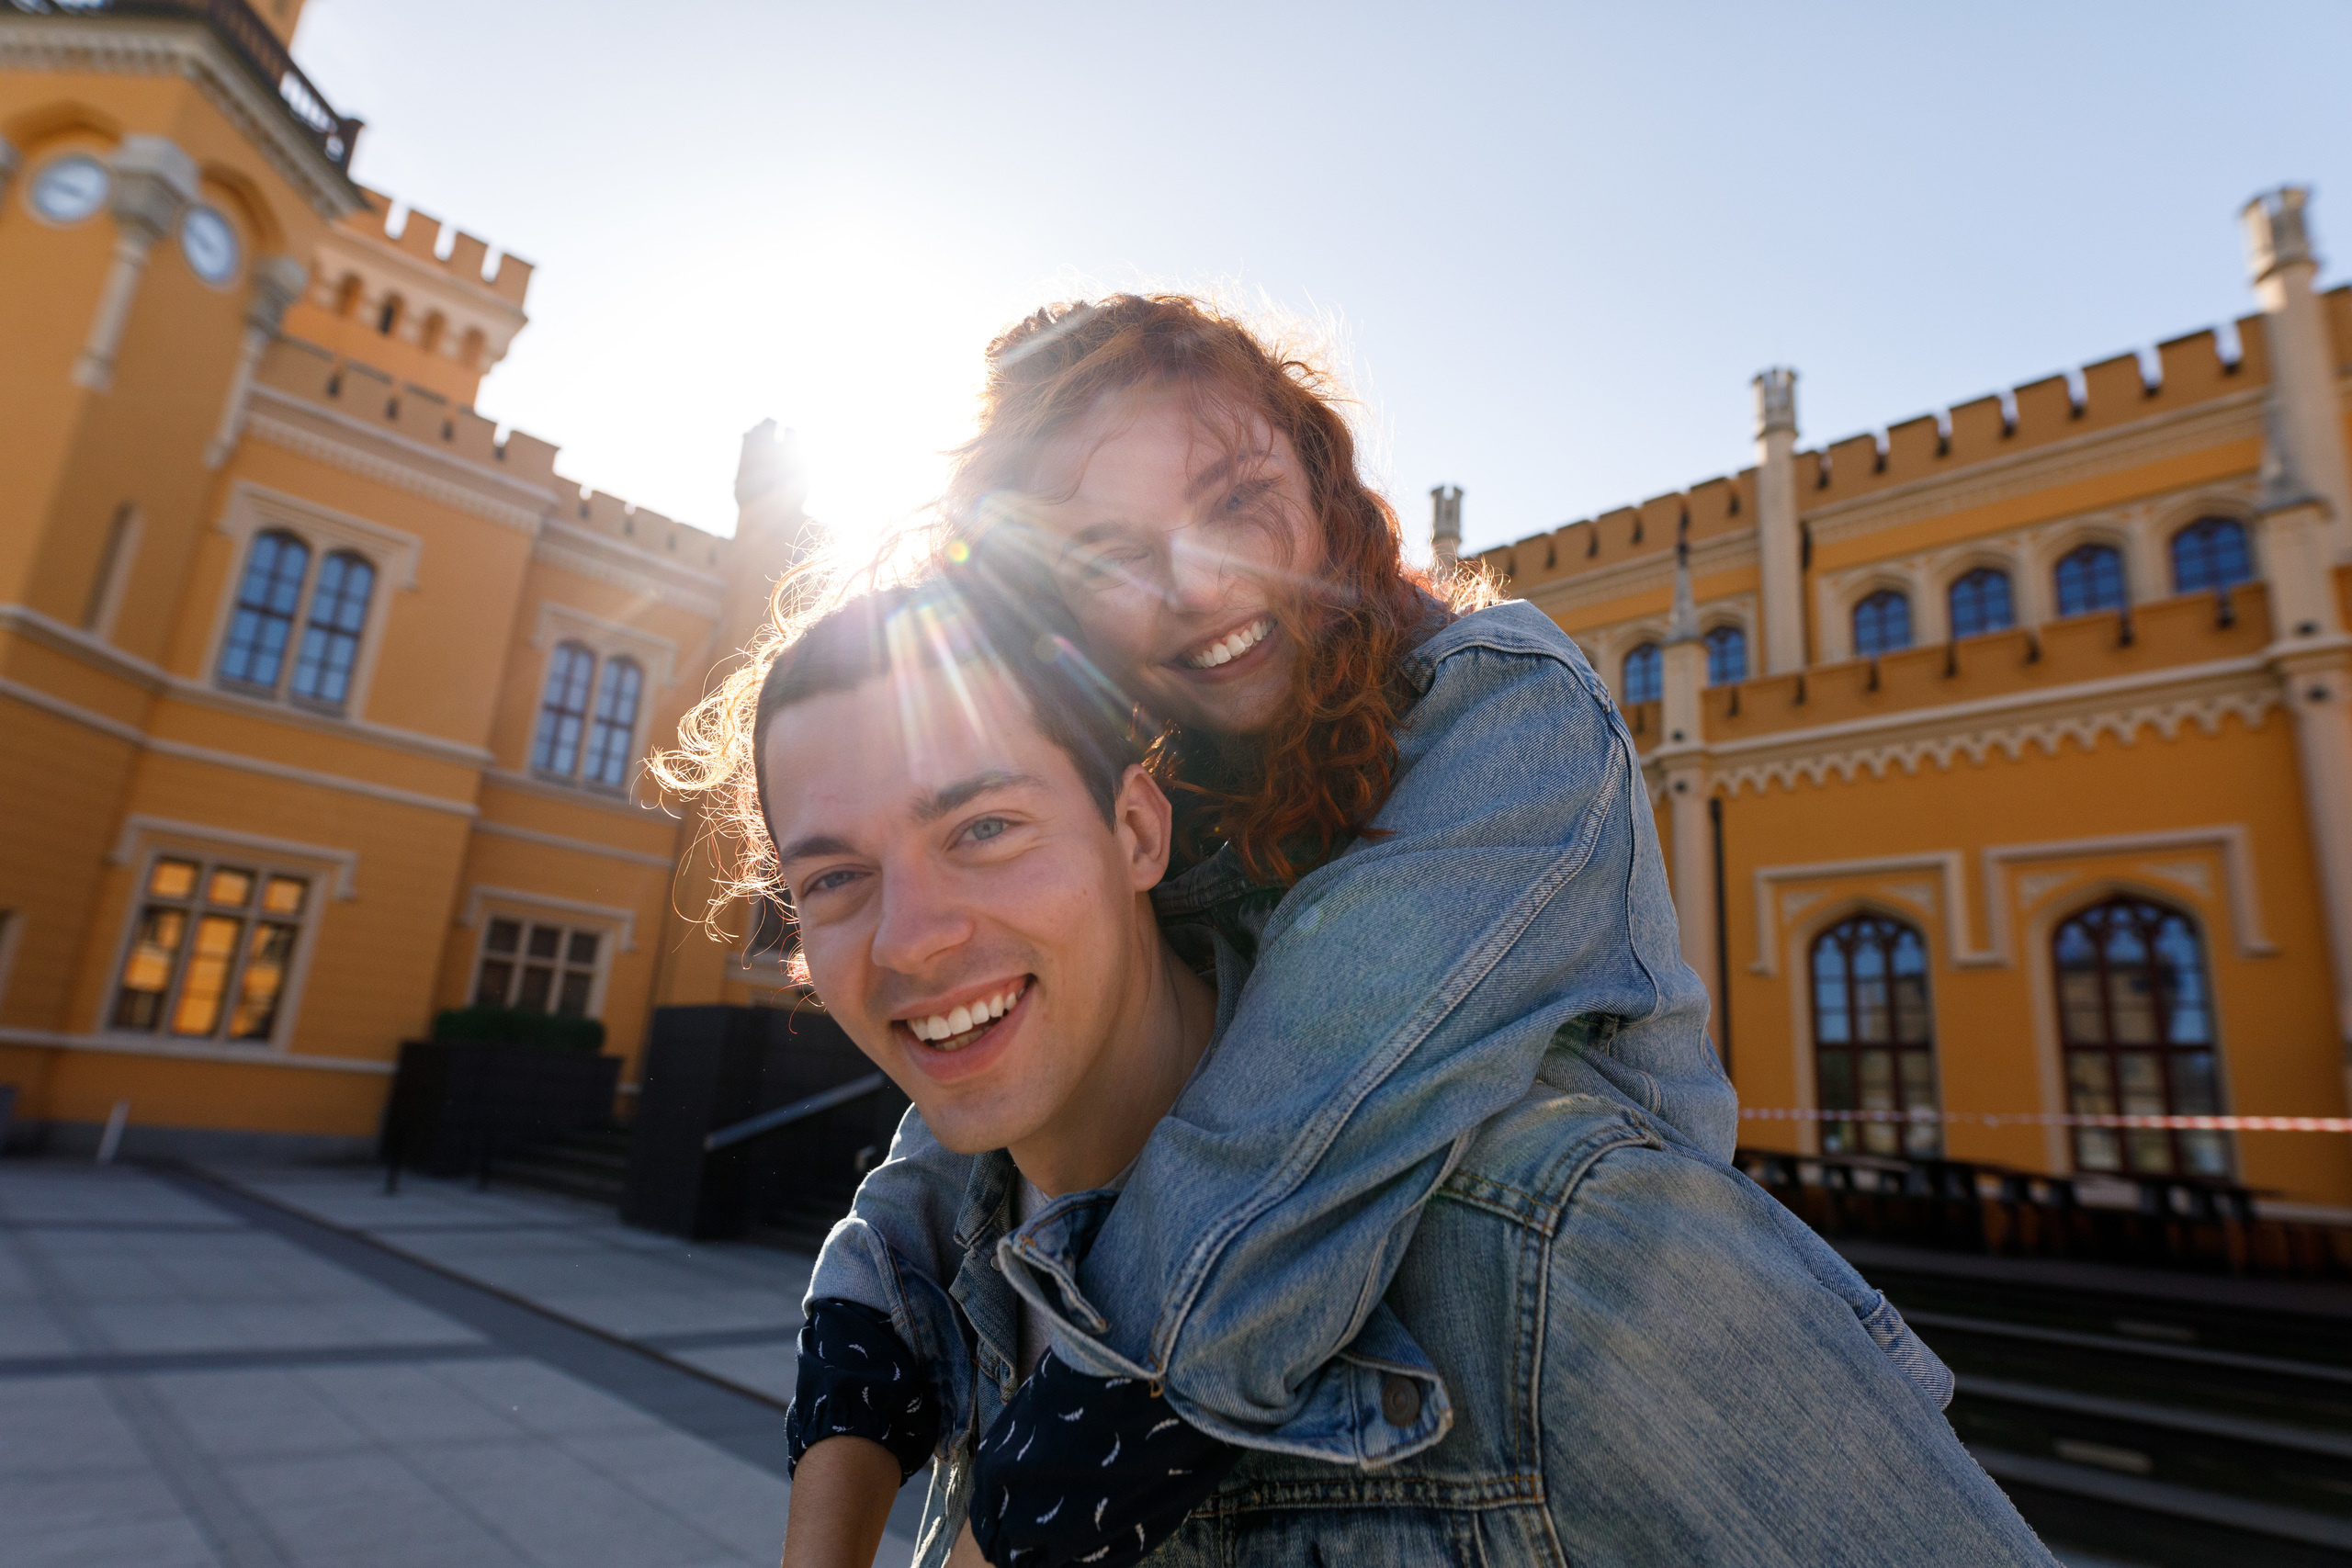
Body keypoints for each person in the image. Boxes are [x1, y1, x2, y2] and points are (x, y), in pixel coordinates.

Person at [656, 295, 2055, 1565]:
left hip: (1535, 1354)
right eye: (1109, 556)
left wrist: (1011, 1525)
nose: (1200, 586)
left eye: (1238, 502)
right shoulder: (1170, 791)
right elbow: (975, 1088)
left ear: (1326, 501)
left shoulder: (1504, 717)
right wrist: (856, 1400)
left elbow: (1297, 1124)